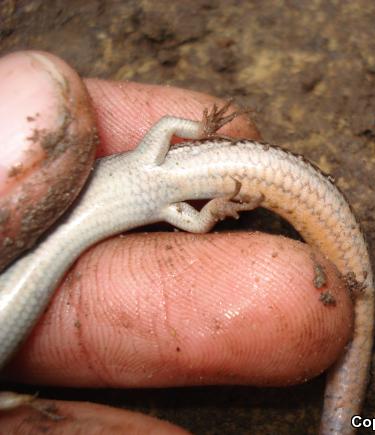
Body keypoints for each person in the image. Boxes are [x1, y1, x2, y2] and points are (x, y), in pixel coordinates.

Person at [0, 51, 353, 433]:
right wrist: (212, 192)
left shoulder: (157, 169)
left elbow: (169, 130)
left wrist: (205, 149)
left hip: (155, 185)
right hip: (157, 191)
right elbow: (170, 129)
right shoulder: (159, 172)